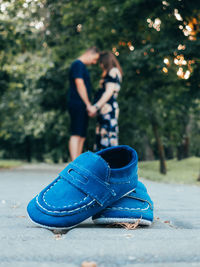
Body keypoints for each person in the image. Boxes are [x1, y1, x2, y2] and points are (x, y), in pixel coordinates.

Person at [68, 47, 100, 160]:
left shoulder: (82, 67)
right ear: (89, 53)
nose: (94, 62)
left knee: (82, 135)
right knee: (76, 133)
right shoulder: (77, 64)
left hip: (82, 105)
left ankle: (77, 162)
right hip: (77, 103)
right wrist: (88, 104)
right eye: (94, 59)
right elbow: (79, 84)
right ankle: (74, 164)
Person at [88, 51, 123, 151]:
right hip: (106, 109)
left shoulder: (112, 71)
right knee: (105, 136)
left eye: (101, 62)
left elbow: (108, 92)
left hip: (108, 109)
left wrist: (96, 107)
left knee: (107, 137)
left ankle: (109, 164)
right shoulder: (113, 72)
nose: (100, 65)